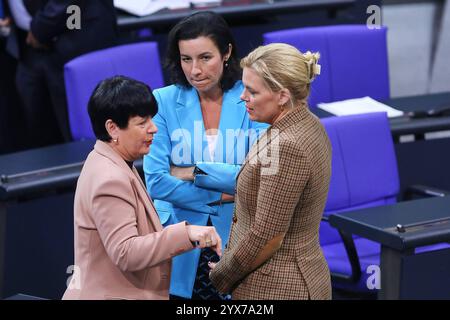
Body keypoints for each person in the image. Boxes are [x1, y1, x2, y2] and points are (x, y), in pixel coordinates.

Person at [62, 76, 222, 300]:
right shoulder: (110, 178)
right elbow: (125, 252)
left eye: (151, 119)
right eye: (142, 122)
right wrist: (186, 233)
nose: (153, 128)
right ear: (113, 128)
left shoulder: (110, 160)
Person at [143, 11, 267, 300]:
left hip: (238, 236)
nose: (195, 70)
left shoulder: (251, 96)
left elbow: (259, 177)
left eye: (205, 58)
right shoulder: (162, 100)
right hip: (180, 235)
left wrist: (190, 172)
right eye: (186, 59)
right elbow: (157, 183)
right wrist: (224, 192)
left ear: (226, 53)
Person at [209, 43, 332, 300]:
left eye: (252, 91)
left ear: (282, 96)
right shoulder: (307, 123)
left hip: (277, 287)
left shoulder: (287, 145)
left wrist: (223, 274)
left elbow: (267, 236)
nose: (243, 96)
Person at [5, 0, 117, 148]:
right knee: (39, 132)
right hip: (25, 44)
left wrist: (40, 29)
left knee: (86, 127)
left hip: (73, 34)